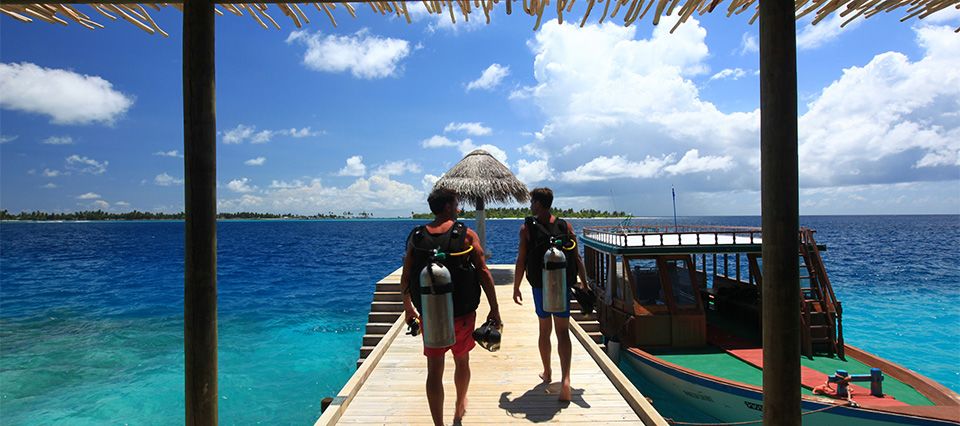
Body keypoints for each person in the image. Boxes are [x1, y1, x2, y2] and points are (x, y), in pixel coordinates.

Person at [400, 188, 501, 426]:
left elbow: (406, 276)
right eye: (456, 204)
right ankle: (459, 405)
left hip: (430, 313)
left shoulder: (416, 236)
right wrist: (495, 308)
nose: (459, 208)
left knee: (434, 370)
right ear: (447, 206)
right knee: (462, 360)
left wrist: (408, 308)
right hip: (462, 314)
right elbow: (484, 273)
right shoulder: (466, 235)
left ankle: (439, 424)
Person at [512, 187, 588, 402]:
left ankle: (547, 372)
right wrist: (584, 283)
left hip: (540, 287)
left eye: (532, 201)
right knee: (563, 332)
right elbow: (577, 258)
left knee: (544, 330)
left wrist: (516, 286)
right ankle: (566, 379)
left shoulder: (526, 228)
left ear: (537, 203)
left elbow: (521, 260)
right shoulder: (565, 226)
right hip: (562, 285)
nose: (530, 205)